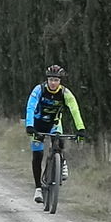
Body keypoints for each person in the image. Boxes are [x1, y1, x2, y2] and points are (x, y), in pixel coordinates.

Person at [25, 65, 86, 203]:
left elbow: (75, 110)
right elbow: (30, 107)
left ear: (60, 81)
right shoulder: (39, 90)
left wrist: (80, 129)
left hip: (54, 124)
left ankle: (61, 163)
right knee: (38, 155)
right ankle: (38, 189)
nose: (53, 83)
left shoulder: (65, 93)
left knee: (59, 142)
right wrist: (29, 125)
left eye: (56, 80)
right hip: (37, 124)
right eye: (51, 80)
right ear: (47, 80)